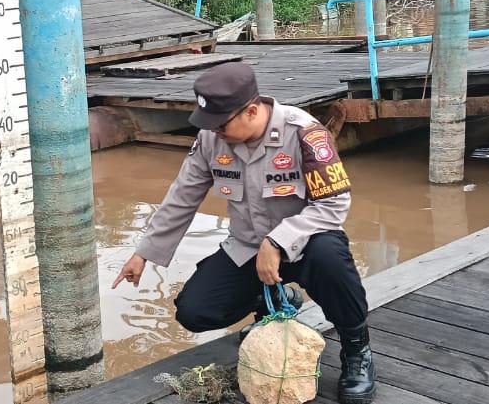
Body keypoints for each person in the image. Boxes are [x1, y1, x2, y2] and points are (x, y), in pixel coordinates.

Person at [112, 62, 377, 404]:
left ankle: (357, 351)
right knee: (193, 311)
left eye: (221, 124)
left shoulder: (304, 133)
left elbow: (334, 206)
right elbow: (182, 196)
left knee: (331, 257)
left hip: (308, 244)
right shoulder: (211, 139)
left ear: (251, 111)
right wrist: (143, 252)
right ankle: (275, 303)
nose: (213, 131)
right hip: (248, 248)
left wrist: (278, 241)